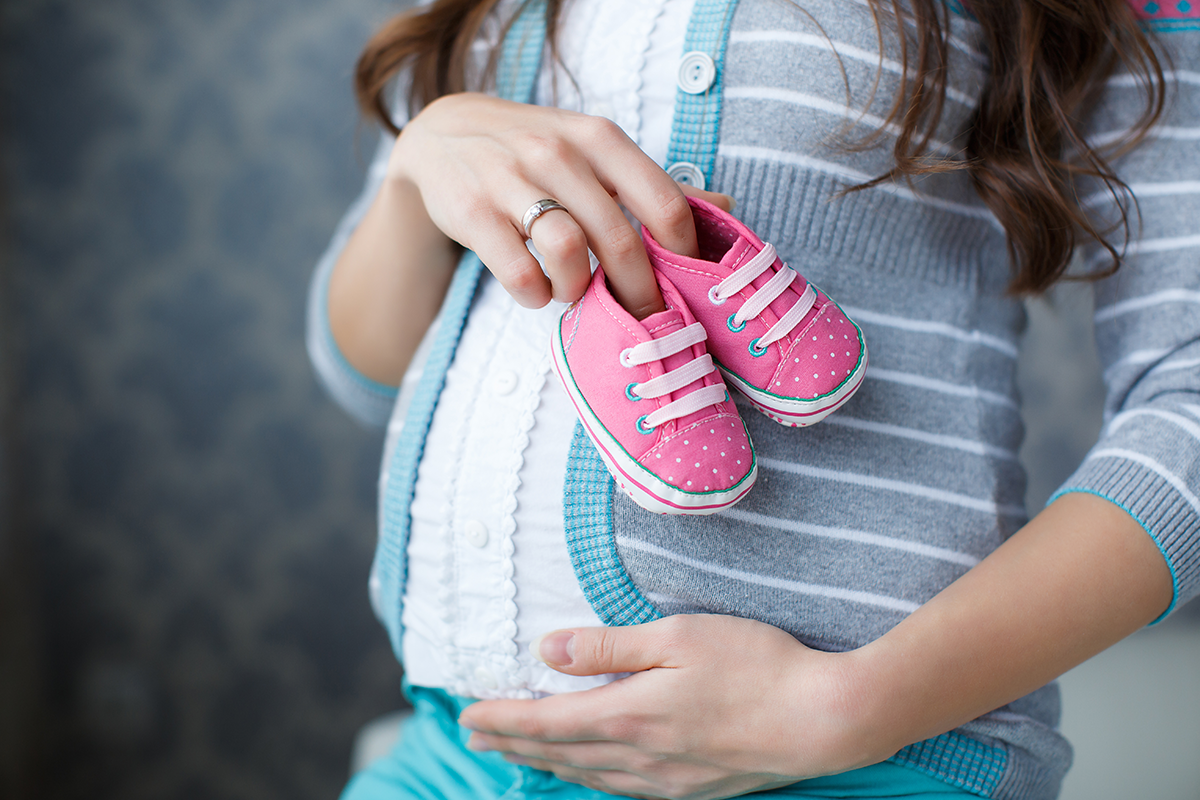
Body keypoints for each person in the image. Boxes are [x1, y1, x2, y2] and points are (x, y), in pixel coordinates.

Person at [306, 0, 1200, 798]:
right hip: (455, 752)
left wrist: (856, 704)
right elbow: (368, 370)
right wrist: (416, 167)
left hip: (858, 762)